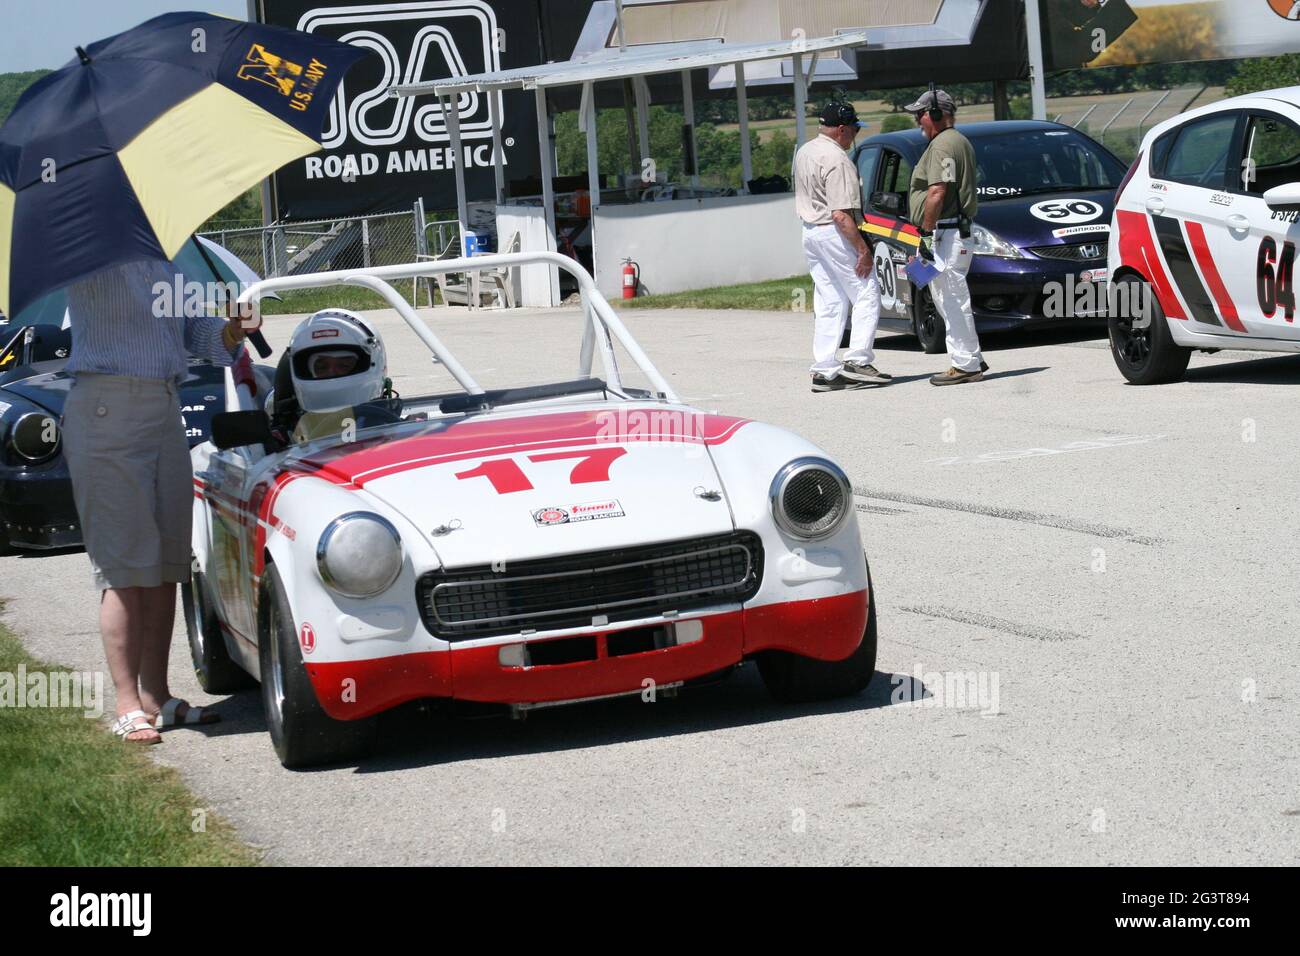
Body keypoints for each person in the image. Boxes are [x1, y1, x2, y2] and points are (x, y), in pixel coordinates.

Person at [62, 258, 257, 743]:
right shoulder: (86, 253)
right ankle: (127, 703)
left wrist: (232, 330)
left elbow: (199, 335)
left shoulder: (166, 260)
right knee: (124, 566)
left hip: (164, 406)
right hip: (105, 409)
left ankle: (157, 695)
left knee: (168, 562)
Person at [793, 100, 889, 393]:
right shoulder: (837, 159)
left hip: (810, 232)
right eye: (854, 130)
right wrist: (862, 250)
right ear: (843, 129)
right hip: (834, 231)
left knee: (830, 300)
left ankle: (825, 369)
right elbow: (840, 214)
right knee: (866, 292)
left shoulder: (805, 151)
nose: (854, 137)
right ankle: (858, 359)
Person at [905, 87, 989, 386]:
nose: (918, 122)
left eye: (921, 115)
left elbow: (937, 190)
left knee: (952, 297)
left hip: (948, 232)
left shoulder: (942, 145)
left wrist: (926, 235)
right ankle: (971, 357)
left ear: (936, 115)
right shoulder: (956, 141)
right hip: (953, 231)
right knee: (948, 297)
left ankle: (965, 364)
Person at [267, 308, 392, 446]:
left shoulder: (396, 427)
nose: (332, 372)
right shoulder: (290, 437)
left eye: (344, 365)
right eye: (322, 367)